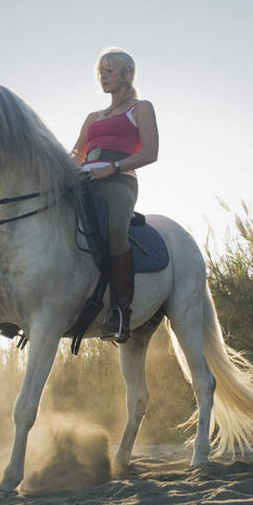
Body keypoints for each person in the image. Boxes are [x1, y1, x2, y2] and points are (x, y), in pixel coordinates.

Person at [71, 48, 159, 343]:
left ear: (126, 74)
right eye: (101, 71)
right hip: (84, 180)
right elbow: (76, 152)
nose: (103, 76)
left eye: (110, 70)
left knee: (114, 232)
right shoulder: (93, 117)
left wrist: (112, 168)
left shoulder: (140, 108)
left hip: (119, 181)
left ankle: (122, 311)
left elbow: (150, 152)